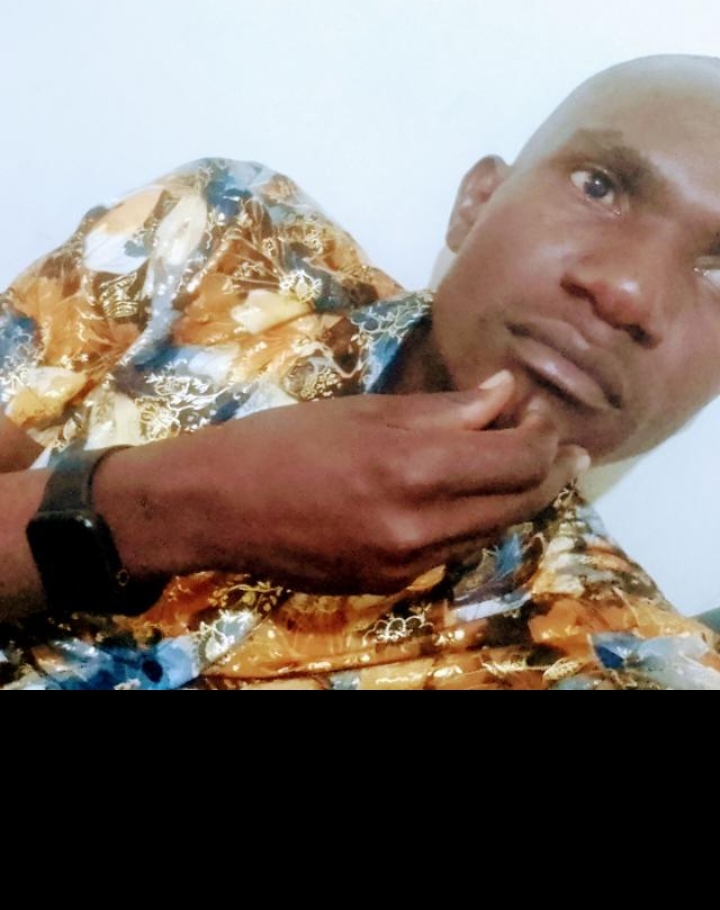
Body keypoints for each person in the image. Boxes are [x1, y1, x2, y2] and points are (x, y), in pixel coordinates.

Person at [1, 52, 720, 690]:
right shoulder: (220, 246)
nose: (628, 292)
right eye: (599, 186)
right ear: (476, 202)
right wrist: (174, 506)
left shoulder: (624, 661)